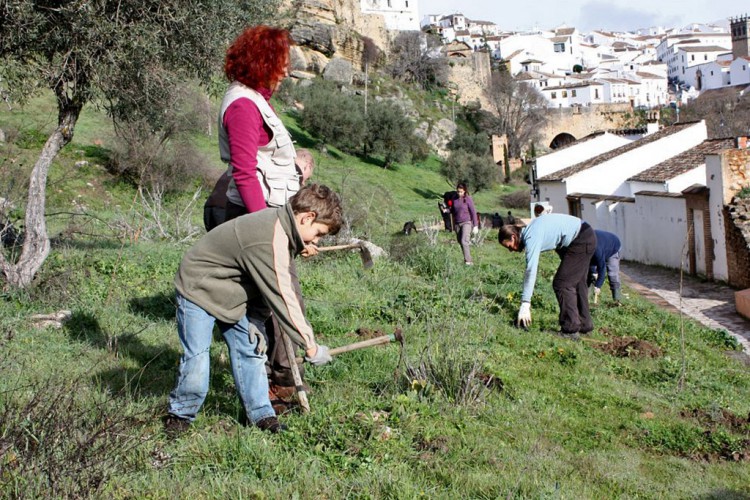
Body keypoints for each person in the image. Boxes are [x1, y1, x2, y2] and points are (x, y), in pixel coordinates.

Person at [165, 184, 343, 435]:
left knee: (250, 352)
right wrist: (310, 345)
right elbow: (284, 296)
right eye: (319, 233)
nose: (316, 241)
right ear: (307, 217)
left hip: (231, 294)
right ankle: (181, 415)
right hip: (199, 288)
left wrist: (299, 245)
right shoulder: (270, 237)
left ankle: (261, 415)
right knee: (197, 359)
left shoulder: (280, 224)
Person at [216, 25, 316, 404]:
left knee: (274, 303)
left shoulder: (257, 99)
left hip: (270, 219)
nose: (287, 70)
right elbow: (244, 173)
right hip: (256, 220)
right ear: (265, 60)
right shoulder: (242, 105)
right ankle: (277, 387)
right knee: (281, 303)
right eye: (283, 61)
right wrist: (267, 228)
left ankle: (277, 383)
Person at [498, 213, 597, 336]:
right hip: (584, 234)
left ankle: (570, 330)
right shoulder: (531, 229)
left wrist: (525, 303)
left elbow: (531, 270)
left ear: (513, 237)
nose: (511, 250)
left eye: (509, 246)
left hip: (581, 239)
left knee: (562, 283)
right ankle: (585, 326)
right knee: (577, 282)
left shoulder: (531, 236)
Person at [203, 149, 316, 233]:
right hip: (233, 211)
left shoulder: (268, 162)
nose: (303, 182)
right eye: (307, 178)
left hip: (212, 206)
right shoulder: (292, 174)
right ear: (307, 166)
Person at [589, 230, 622, 304]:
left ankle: (617, 301)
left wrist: (598, 286)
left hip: (613, 247)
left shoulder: (597, 250)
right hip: (602, 245)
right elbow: (588, 262)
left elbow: (602, 268)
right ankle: (587, 300)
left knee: (612, 274)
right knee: (590, 275)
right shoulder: (583, 246)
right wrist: (593, 272)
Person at [450, 183, 479, 265]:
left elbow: (473, 212)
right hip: (457, 224)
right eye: (458, 191)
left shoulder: (468, 199)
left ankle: (468, 262)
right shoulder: (454, 198)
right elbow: (452, 210)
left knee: (464, 241)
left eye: (461, 192)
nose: (459, 193)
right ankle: (466, 259)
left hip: (466, 222)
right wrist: (446, 210)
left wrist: (475, 225)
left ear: (464, 191)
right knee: (460, 242)